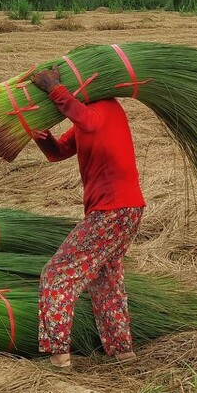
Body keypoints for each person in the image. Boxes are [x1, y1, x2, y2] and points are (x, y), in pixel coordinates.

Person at [28, 66, 146, 369]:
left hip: (113, 210)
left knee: (56, 274)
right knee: (106, 279)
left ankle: (59, 357)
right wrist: (40, 135)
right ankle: (123, 352)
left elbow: (88, 122)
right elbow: (58, 151)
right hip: (126, 210)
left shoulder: (104, 108)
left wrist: (55, 90)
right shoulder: (85, 118)